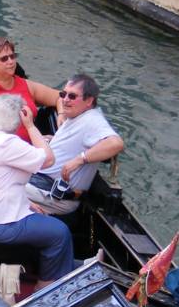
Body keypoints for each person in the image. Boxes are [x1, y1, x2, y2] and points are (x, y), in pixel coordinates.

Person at [0, 95, 77, 290]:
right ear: (19, 118)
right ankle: (46, 286)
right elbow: (48, 159)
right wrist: (30, 126)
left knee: (40, 217)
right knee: (59, 232)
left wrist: (26, 203)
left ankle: (50, 269)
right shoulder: (7, 143)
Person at [25, 74, 125, 215]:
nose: (65, 100)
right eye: (63, 94)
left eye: (72, 96)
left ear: (89, 100)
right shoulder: (76, 116)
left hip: (51, 195)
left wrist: (80, 159)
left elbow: (116, 144)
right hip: (38, 185)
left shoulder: (93, 120)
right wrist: (52, 140)